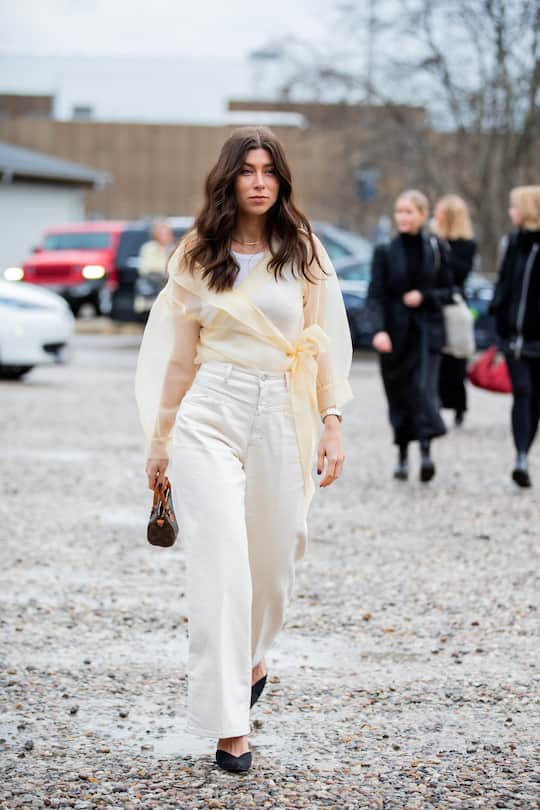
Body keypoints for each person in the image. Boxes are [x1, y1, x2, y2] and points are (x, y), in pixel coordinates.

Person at [135, 127, 352, 773]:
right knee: (222, 557)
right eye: (247, 170)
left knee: (275, 558)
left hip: (284, 411)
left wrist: (333, 421)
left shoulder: (304, 251)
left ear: (281, 180)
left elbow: (328, 341)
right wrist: (160, 442)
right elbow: (178, 362)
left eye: (270, 170)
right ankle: (232, 725)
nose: (259, 180)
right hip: (210, 411)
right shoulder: (197, 255)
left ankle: (254, 656)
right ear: (228, 178)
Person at [367, 189, 452, 482]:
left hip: (428, 334)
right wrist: (378, 330)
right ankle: (403, 454)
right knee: (399, 397)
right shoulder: (384, 252)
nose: (402, 217)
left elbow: (450, 290)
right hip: (394, 335)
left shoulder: (437, 249)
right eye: (399, 211)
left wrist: (425, 296)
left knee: (424, 392)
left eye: (409, 211)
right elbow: (375, 295)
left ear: (423, 215)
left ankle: (426, 452)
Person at [491, 185, 540, 488]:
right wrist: (498, 313)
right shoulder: (512, 243)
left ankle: (525, 451)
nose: (511, 213)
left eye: (514, 207)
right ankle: (520, 455)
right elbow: (504, 283)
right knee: (522, 392)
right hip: (513, 338)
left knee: (535, 400)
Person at [433, 194, 477, 426]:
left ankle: (459, 406)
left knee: (456, 360)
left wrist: (445, 250)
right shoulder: (431, 240)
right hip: (434, 305)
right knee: (437, 359)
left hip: (454, 305)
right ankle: (436, 404)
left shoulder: (466, 245)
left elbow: (459, 275)